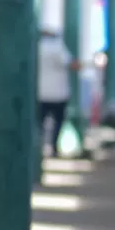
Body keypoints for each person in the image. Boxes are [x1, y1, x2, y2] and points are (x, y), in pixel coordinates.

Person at [37, 28, 74, 156]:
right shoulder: (58, 47)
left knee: (39, 124)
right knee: (58, 123)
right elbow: (70, 63)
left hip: (41, 93)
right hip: (58, 93)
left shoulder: (37, 47)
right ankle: (53, 148)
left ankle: (38, 147)